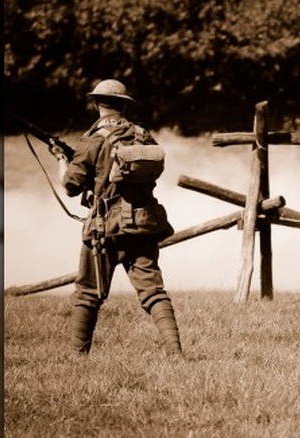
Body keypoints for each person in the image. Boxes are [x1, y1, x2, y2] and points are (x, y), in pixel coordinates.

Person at [52, 78, 182, 356]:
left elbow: (70, 187)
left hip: (105, 227)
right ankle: (175, 352)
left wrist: (62, 161)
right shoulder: (143, 136)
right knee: (153, 291)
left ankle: (77, 356)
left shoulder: (92, 140)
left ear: (97, 104)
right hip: (143, 223)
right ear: (124, 105)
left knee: (88, 292)